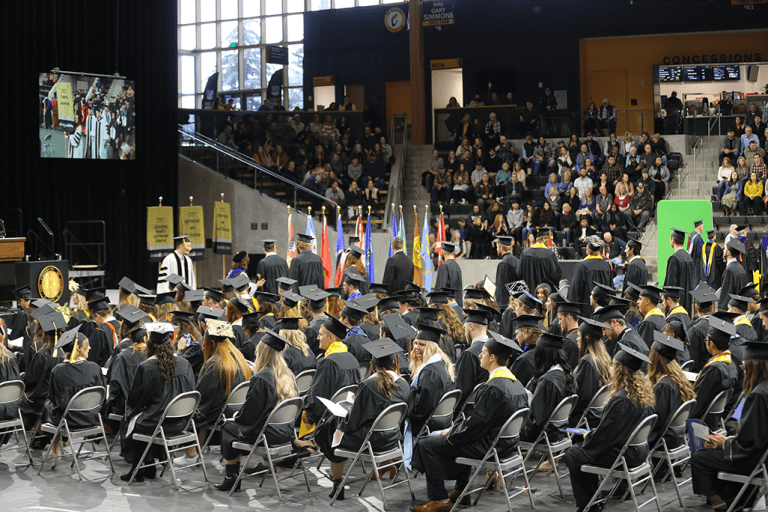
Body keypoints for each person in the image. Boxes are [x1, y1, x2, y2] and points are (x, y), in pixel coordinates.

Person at [411, 331, 528, 512]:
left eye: (483, 353)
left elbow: (474, 428)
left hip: (489, 446)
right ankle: (461, 490)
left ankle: (439, 499)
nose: (479, 355)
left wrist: (450, 432)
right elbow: (479, 423)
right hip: (507, 445)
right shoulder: (517, 384)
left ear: (493, 357)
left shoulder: (493, 388)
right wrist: (455, 430)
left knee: (427, 444)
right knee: (452, 437)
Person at [562, 344, 655, 511]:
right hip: (639, 452)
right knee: (582, 451)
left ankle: (589, 505)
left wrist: (589, 437)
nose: (610, 368)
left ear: (621, 369)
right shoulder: (642, 394)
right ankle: (594, 499)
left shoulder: (621, 400)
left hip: (623, 456)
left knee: (573, 455)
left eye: (613, 365)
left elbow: (605, 437)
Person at [317, 339, 411, 501]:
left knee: (334, 426)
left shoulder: (369, 385)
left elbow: (353, 423)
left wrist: (348, 411)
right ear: (393, 361)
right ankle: (388, 464)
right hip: (393, 439)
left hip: (370, 442)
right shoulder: (404, 384)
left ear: (373, 362)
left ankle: (337, 483)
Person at [215, 329, 298, 491]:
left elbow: (250, 416)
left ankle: (231, 477)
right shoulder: (287, 375)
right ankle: (233, 476)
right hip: (286, 432)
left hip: (268, 436)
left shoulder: (261, 378)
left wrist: (238, 416)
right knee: (236, 425)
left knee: (228, 427)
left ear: (261, 352)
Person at [691, 340, 768, 511]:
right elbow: (756, 435)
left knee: (699, 458)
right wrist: (730, 439)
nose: (744, 370)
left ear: (754, 366)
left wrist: (724, 443)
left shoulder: (757, 396)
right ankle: (737, 500)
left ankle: (727, 503)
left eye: (745, 366)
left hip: (754, 461)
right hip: (763, 456)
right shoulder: (765, 389)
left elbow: (749, 445)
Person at [121, 322, 196, 482]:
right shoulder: (185, 364)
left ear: (149, 343)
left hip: (158, 424)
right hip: (182, 423)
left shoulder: (147, 367)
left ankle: (139, 468)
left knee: (134, 419)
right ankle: (149, 464)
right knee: (150, 415)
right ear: (170, 342)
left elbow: (136, 400)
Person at [176, 320, 251, 466]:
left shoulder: (216, 363)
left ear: (211, 343)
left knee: (190, 409)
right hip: (236, 409)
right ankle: (195, 452)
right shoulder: (238, 358)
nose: (203, 346)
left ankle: (191, 453)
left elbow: (203, 396)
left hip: (218, 412)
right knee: (202, 408)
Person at [42, 328, 105, 462]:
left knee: (49, 407)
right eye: (87, 346)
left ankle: (55, 449)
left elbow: (54, 398)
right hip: (91, 418)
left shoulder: (58, 371)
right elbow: (102, 395)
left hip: (68, 421)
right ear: (78, 348)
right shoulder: (95, 368)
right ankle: (58, 447)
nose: (90, 348)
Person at [520, 333, 576, 449]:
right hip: (561, 429)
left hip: (545, 433)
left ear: (542, 355)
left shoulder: (547, 381)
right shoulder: (567, 375)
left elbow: (536, 421)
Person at [647, 332, 695, 451]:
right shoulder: (678, 377)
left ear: (654, 357)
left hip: (663, 439)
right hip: (677, 435)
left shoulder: (664, 386)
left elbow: (657, 421)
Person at [19, 311, 67, 429]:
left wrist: (23, 376)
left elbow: (33, 380)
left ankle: (33, 427)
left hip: (43, 398)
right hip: (60, 398)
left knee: (18, 394)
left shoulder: (42, 353)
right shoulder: (64, 352)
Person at [690, 318, 738, 430]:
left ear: (711, 344)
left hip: (702, 423)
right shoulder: (731, 364)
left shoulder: (713, 369)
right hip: (716, 419)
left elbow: (697, 403)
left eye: (706, 341)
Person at [569, 317, 611, 427]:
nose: (577, 339)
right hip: (596, 416)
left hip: (583, 420)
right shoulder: (603, 359)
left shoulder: (587, 362)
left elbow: (581, 397)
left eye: (578, 336)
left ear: (586, 338)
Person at [567, 239, 612, 316]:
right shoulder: (606, 266)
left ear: (588, 251)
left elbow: (575, 290)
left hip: (586, 311)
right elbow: (611, 288)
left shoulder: (582, 266)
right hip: (604, 311)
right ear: (600, 250)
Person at [719, 239, 748, 311]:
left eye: (725, 249)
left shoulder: (729, 270)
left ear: (728, 252)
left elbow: (726, 295)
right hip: (739, 308)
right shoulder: (740, 267)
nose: (723, 250)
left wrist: (721, 311)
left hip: (732, 310)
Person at [493, 236, 520, 309]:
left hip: (506, 305)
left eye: (497, 247)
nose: (496, 249)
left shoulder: (503, 263)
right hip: (516, 302)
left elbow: (502, 287)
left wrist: (500, 305)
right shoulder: (517, 261)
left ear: (501, 247)